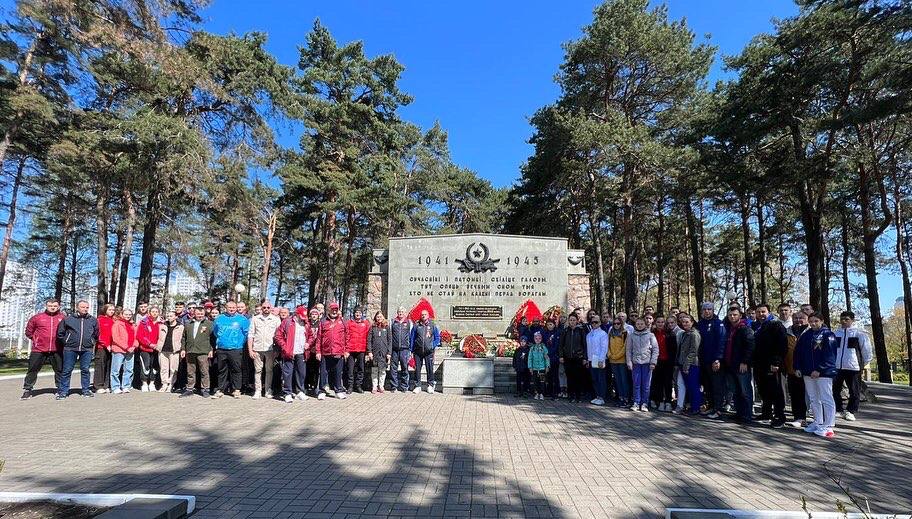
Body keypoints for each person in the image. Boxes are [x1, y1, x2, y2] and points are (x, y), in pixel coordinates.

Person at [795, 312, 838, 438]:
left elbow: (830, 355)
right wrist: (797, 367)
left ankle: (829, 425)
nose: (813, 324)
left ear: (822, 321)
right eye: (811, 321)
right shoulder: (806, 335)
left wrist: (820, 369)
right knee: (813, 398)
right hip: (808, 372)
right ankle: (818, 421)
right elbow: (798, 352)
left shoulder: (828, 335)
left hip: (824, 373)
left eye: (816, 321)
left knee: (826, 398)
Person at [21, 298, 65, 400]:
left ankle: (60, 389)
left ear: (58, 307)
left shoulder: (63, 318)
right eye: (50, 306)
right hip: (39, 349)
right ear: (46, 306)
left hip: (57, 349)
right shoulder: (37, 318)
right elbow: (28, 331)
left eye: (55, 306)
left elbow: (67, 332)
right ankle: (27, 389)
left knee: (59, 370)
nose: (52, 308)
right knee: (33, 369)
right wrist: (36, 339)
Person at [752, 303, 788, 428]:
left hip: (773, 364)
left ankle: (780, 416)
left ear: (769, 312)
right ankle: (766, 413)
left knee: (777, 391)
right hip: (760, 364)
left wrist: (776, 362)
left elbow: (782, 345)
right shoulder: (757, 326)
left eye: (763, 312)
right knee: (764, 390)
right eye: (758, 312)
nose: (761, 314)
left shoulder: (776, 325)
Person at [832, 311, 872, 422]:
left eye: (847, 319)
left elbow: (867, 351)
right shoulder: (836, 333)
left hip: (853, 367)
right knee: (835, 389)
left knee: (854, 391)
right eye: (842, 319)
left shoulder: (860, 334)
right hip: (837, 367)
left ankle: (851, 411)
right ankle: (838, 409)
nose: (844, 321)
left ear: (852, 320)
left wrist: (862, 364)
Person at [274, 305, 318, 403]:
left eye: (304, 317)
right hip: (289, 352)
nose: (303, 319)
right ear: (296, 314)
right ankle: (287, 393)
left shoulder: (306, 324)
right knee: (288, 373)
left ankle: (300, 391)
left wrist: (308, 343)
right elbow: (278, 336)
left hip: (301, 352)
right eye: (301, 317)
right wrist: (285, 347)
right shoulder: (287, 322)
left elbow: (311, 336)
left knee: (301, 373)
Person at [56, 300, 99, 399]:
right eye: (83, 307)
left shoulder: (93, 320)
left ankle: (85, 390)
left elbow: (96, 334)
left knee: (85, 370)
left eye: (87, 307)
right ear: (77, 307)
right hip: (70, 349)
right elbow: (60, 333)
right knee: (67, 370)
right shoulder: (68, 319)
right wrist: (66, 342)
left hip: (86, 349)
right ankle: (63, 391)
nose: (85, 309)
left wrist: (91, 341)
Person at [723, 306, 755, 424]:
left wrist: (745, 362)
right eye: (730, 315)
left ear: (740, 315)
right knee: (735, 391)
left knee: (745, 391)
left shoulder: (745, 329)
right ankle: (739, 413)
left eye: (735, 315)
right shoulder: (729, 329)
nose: (732, 317)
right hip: (730, 365)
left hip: (741, 365)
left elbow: (750, 346)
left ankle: (747, 416)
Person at [211, 301, 250, 399]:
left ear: (236, 308)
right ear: (226, 308)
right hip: (222, 349)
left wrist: (239, 343)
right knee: (221, 370)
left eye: (233, 307)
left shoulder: (242, 319)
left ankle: (236, 389)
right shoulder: (219, 319)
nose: (232, 309)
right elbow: (215, 332)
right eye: (229, 307)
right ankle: (221, 389)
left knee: (236, 369)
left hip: (236, 349)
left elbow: (246, 333)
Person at [696, 302, 727, 418]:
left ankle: (718, 410)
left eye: (709, 309)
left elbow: (722, 342)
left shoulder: (718, 324)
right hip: (703, 361)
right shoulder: (700, 324)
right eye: (704, 309)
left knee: (717, 386)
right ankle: (711, 406)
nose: (707, 311)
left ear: (713, 310)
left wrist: (718, 359)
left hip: (714, 361)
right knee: (708, 386)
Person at [247, 300, 281, 399]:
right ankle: (258, 390)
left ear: (271, 308)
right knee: (258, 370)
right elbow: (250, 334)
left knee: (269, 370)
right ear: (261, 308)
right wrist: (250, 350)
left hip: (270, 349)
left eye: (268, 307)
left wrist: (277, 349)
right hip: (257, 348)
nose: (266, 309)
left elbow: (278, 336)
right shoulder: (255, 319)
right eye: (264, 307)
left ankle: (267, 390)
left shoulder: (275, 319)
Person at [626, 317, 658, 412]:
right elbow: (628, 350)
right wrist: (629, 362)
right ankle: (636, 402)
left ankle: (644, 403)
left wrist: (653, 362)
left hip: (647, 363)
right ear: (635, 325)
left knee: (646, 384)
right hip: (636, 363)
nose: (640, 325)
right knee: (636, 384)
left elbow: (655, 350)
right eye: (638, 324)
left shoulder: (651, 335)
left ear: (645, 324)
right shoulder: (631, 335)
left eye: (641, 324)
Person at [180, 307, 214, 398]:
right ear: (194, 314)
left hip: (203, 351)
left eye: (202, 314)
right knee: (190, 371)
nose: (200, 316)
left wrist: (211, 349)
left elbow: (212, 338)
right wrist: (183, 349)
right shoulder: (188, 324)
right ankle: (190, 389)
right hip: (190, 351)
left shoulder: (209, 324)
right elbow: (184, 338)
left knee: (204, 371)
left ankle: (205, 389)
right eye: (198, 314)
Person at [785, 311, 810, 428]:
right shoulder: (787, 332)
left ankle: (819, 419)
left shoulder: (811, 332)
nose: (798, 320)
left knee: (810, 396)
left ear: (807, 319)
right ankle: (799, 418)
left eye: (801, 318)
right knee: (795, 395)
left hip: (808, 370)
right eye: (795, 318)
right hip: (791, 369)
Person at [318, 302, 348, 399]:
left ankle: (338, 390)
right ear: (329, 310)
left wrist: (346, 350)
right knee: (323, 372)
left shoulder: (343, 322)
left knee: (338, 372)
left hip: (338, 351)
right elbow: (319, 338)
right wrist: (318, 351)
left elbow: (347, 337)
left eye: (336, 309)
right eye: (332, 309)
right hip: (325, 352)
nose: (334, 311)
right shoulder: (323, 322)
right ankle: (322, 391)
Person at [673, 313, 701, 415]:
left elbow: (693, 351)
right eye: (683, 322)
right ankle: (690, 407)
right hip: (681, 363)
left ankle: (695, 408)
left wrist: (687, 364)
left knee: (693, 386)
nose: (684, 324)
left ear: (692, 322)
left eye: (687, 322)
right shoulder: (684, 333)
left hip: (691, 364)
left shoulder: (694, 334)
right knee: (686, 386)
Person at [650, 315, 677, 411]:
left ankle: (668, 402)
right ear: (655, 323)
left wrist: (672, 362)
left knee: (668, 383)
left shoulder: (671, 333)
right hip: (657, 361)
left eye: (662, 322)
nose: (660, 324)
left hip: (668, 362)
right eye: (658, 322)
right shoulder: (652, 333)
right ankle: (660, 401)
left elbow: (674, 350)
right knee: (658, 382)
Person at [410, 309, 440, 394]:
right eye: (422, 314)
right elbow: (412, 338)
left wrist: (432, 345)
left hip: (429, 352)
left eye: (425, 314)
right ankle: (417, 386)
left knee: (429, 369)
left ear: (428, 315)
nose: (423, 316)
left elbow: (437, 338)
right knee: (417, 370)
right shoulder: (416, 325)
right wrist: (411, 350)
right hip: (417, 351)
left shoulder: (433, 325)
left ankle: (430, 385)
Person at [559, 313, 587, 403]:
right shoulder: (565, 331)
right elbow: (561, 345)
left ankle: (578, 396)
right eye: (570, 320)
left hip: (578, 357)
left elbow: (584, 345)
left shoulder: (580, 331)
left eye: (574, 320)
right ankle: (571, 395)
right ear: (568, 321)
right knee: (570, 377)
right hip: (568, 358)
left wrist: (585, 357)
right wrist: (561, 356)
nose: (572, 322)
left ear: (577, 321)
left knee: (578, 377)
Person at [155, 310, 184, 393]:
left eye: (171, 316)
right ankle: (164, 384)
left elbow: (183, 339)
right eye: (168, 316)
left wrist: (181, 349)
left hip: (174, 350)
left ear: (175, 317)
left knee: (173, 369)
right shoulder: (162, 326)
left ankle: (171, 384)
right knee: (163, 368)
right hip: (163, 350)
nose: (169, 318)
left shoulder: (180, 327)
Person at [110, 308, 136, 394]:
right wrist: (126, 347)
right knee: (116, 370)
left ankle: (126, 386)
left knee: (129, 369)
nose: (128, 316)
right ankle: (115, 387)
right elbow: (116, 338)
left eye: (129, 315)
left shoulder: (132, 325)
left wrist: (134, 346)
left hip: (131, 350)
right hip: (119, 350)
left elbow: (136, 337)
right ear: (122, 314)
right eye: (126, 314)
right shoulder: (117, 324)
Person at [135, 306, 161, 392]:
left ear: (158, 313)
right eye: (152, 311)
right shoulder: (144, 322)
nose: (154, 313)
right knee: (145, 365)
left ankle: (152, 383)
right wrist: (149, 344)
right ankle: (144, 383)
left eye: (156, 311)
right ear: (149, 312)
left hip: (156, 349)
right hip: (145, 348)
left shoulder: (161, 323)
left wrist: (158, 345)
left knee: (155, 366)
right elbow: (140, 335)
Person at [607, 316, 631, 407]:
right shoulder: (611, 333)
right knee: (617, 380)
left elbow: (625, 347)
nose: (616, 325)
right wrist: (610, 354)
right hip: (612, 360)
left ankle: (626, 398)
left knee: (624, 380)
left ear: (621, 324)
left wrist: (616, 356)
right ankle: (620, 397)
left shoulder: (625, 333)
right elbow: (608, 345)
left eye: (618, 323)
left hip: (622, 361)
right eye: (614, 323)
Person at [345, 308, 371, 394]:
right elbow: (347, 336)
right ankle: (350, 386)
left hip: (362, 349)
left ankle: (358, 385)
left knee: (361, 368)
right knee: (350, 369)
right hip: (351, 349)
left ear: (362, 314)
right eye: (356, 313)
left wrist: (368, 351)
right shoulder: (349, 323)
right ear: (354, 314)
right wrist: (346, 349)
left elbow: (368, 337)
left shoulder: (366, 323)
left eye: (359, 313)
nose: (358, 314)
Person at [586, 314, 609, 406]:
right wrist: (588, 359)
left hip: (599, 358)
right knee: (594, 378)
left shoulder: (603, 334)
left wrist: (601, 359)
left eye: (596, 322)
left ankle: (602, 397)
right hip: (591, 359)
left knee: (601, 378)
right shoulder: (589, 334)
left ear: (600, 323)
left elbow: (604, 347)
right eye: (592, 322)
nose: (594, 324)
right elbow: (588, 348)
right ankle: (597, 396)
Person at [93, 303, 115, 394]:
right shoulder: (100, 320)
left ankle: (106, 384)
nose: (112, 311)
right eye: (110, 310)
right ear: (105, 310)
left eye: (113, 310)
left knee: (109, 366)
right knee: (100, 366)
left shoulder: (113, 320)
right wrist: (106, 344)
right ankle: (98, 385)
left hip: (112, 347)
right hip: (101, 347)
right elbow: (99, 335)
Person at [367, 311, 391, 394]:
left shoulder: (387, 327)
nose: (379, 318)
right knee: (374, 370)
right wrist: (369, 352)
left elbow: (390, 341)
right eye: (377, 317)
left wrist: (389, 353)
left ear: (383, 317)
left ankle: (381, 386)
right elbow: (369, 340)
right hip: (375, 353)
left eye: (380, 317)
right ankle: (374, 386)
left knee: (382, 371)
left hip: (384, 353)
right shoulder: (372, 327)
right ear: (375, 318)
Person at [389, 306, 411, 393]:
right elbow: (390, 336)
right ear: (397, 313)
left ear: (405, 313)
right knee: (393, 369)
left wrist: (410, 349)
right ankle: (394, 386)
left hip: (404, 349)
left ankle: (404, 386)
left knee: (404, 368)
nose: (400, 313)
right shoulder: (393, 322)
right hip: (394, 349)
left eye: (402, 312)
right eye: (399, 312)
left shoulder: (409, 322)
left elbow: (411, 336)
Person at [541, 319, 561, 399]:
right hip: (546, 358)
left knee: (555, 376)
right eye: (548, 324)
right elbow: (543, 344)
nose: (549, 326)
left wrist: (549, 353)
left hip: (554, 357)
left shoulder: (557, 333)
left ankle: (555, 392)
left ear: (554, 325)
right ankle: (548, 391)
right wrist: (545, 353)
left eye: (551, 324)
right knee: (548, 375)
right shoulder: (544, 333)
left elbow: (557, 345)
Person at [528, 331, 550, 400]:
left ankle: (542, 394)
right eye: (536, 338)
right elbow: (530, 358)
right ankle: (537, 393)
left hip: (542, 368)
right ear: (534, 339)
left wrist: (547, 366)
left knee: (542, 382)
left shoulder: (543, 348)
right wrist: (530, 367)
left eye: (539, 338)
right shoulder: (532, 348)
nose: (537, 340)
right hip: (534, 368)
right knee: (535, 382)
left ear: (541, 339)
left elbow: (546, 358)